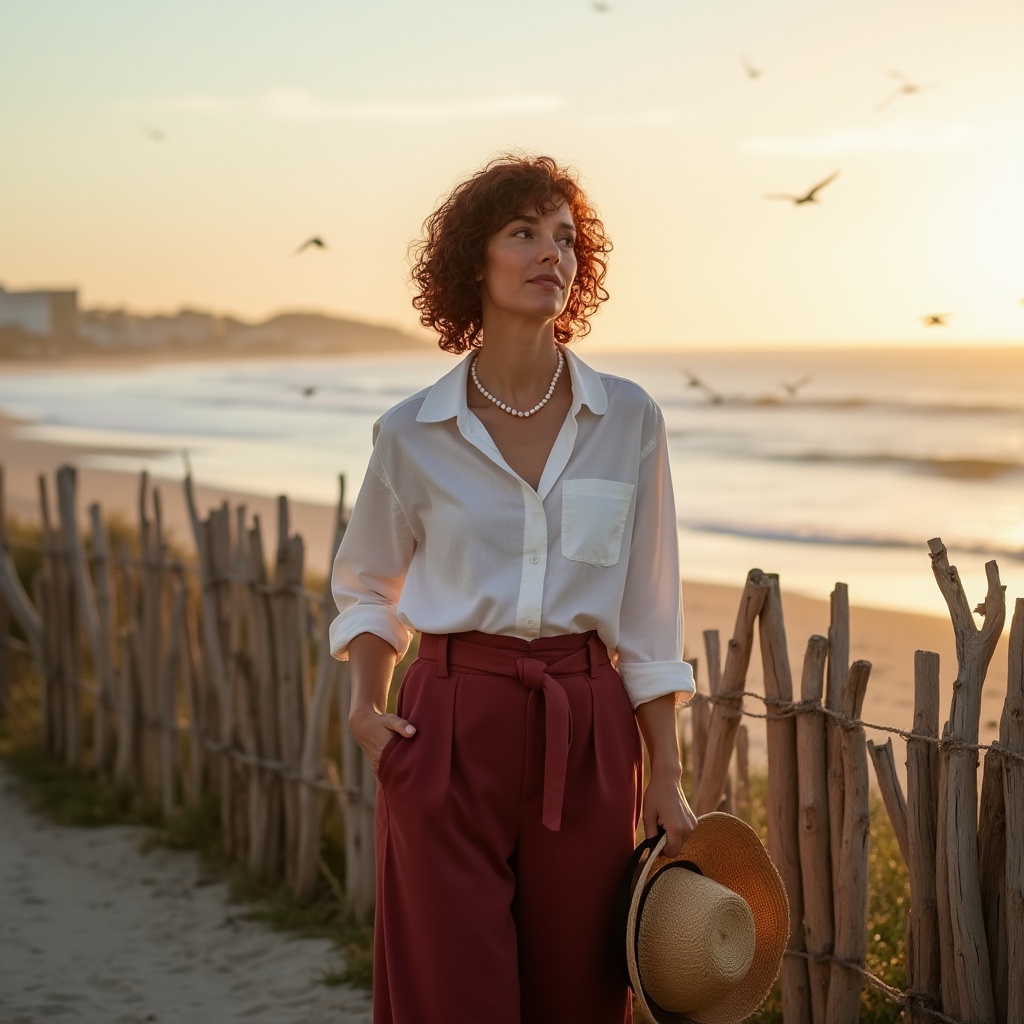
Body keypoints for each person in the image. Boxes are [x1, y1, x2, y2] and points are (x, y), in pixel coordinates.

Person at [330, 153, 697, 1024]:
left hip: (588, 727)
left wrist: (667, 774)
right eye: (524, 233)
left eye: (566, 238)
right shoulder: (412, 432)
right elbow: (367, 583)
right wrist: (363, 707)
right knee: (452, 993)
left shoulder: (630, 419)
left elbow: (650, 614)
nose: (550, 255)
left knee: (577, 993)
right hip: (450, 724)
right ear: (475, 262)